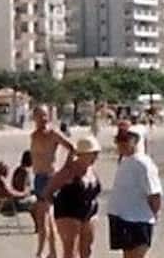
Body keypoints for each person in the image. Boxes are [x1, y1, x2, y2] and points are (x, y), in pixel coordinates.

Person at [107, 126, 161, 258]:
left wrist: (154, 215)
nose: (120, 144)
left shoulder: (144, 163)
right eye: (118, 140)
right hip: (122, 218)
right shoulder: (126, 161)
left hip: (138, 219)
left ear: (136, 141)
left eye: (125, 140)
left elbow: (155, 194)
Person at [28, 106, 75, 258]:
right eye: (40, 115)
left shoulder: (53, 134)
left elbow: (71, 147)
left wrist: (66, 167)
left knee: (47, 216)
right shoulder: (34, 135)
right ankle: (45, 251)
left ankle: (48, 252)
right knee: (43, 218)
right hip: (38, 177)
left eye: (45, 115)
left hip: (49, 177)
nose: (43, 118)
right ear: (34, 117)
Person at [46, 138, 103, 258]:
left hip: (89, 213)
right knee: (70, 251)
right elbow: (48, 192)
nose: (95, 157)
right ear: (82, 154)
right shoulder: (68, 171)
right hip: (69, 213)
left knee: (87, 250)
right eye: (92, 154)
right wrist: (58, 207)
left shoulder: (91, 170)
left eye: (96, 154)